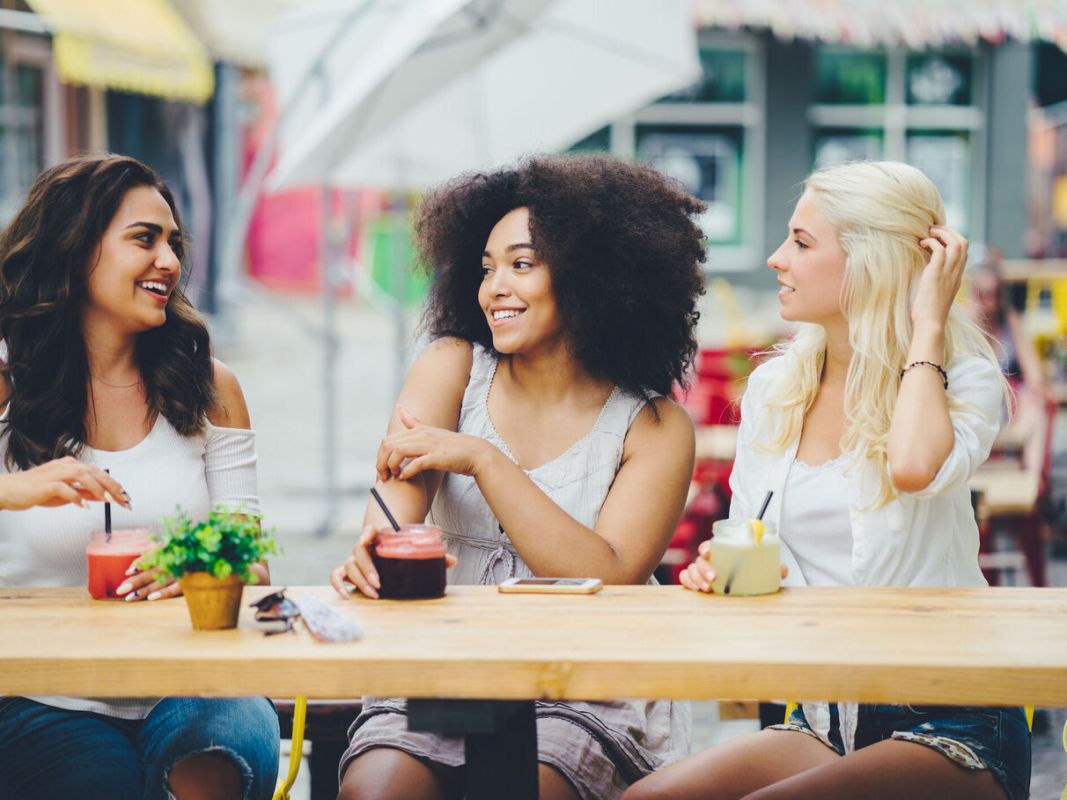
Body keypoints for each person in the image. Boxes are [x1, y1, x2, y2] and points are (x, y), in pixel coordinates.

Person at [623, 161, 1030, 800]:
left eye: (803, 243)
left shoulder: (960, 378)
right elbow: (751, 537)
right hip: (824, 718)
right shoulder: (774, 388)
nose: (776, 257)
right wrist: (721, 571)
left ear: (871, 264)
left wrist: (925, 324)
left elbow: (913, 468)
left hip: (951, 717)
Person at [330, 153, 706, 800]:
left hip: (582, 686)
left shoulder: (654, 427)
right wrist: (372, 551)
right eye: (485, 268)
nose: (493, 287)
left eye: (521, 264)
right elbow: (391, 518)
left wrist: (482, 459)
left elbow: (607, 572)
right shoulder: (450, 368)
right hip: (446, 669)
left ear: (592, 276)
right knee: (377, 787)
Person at [0, 154, 280, 800]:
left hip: (191, 681)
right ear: (77, 250)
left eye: (174, 244)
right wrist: (16, 489)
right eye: (144, 239)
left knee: (218, 753)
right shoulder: (9, 380)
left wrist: (200, 565)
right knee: (98, 782)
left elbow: (253, 563)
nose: (170, 262)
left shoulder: (210, 386)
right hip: (45, 693)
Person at [969, 253, 1053, 475]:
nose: (990, 301)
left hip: (1007, 403)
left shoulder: (1009, 320)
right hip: (975, 400)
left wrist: (1033, 389)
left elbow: (1033, 371)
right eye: (984, 294)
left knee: (1036, 402)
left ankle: (1030, 485)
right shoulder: (966, 325)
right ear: (973, 293)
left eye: (995, 294)